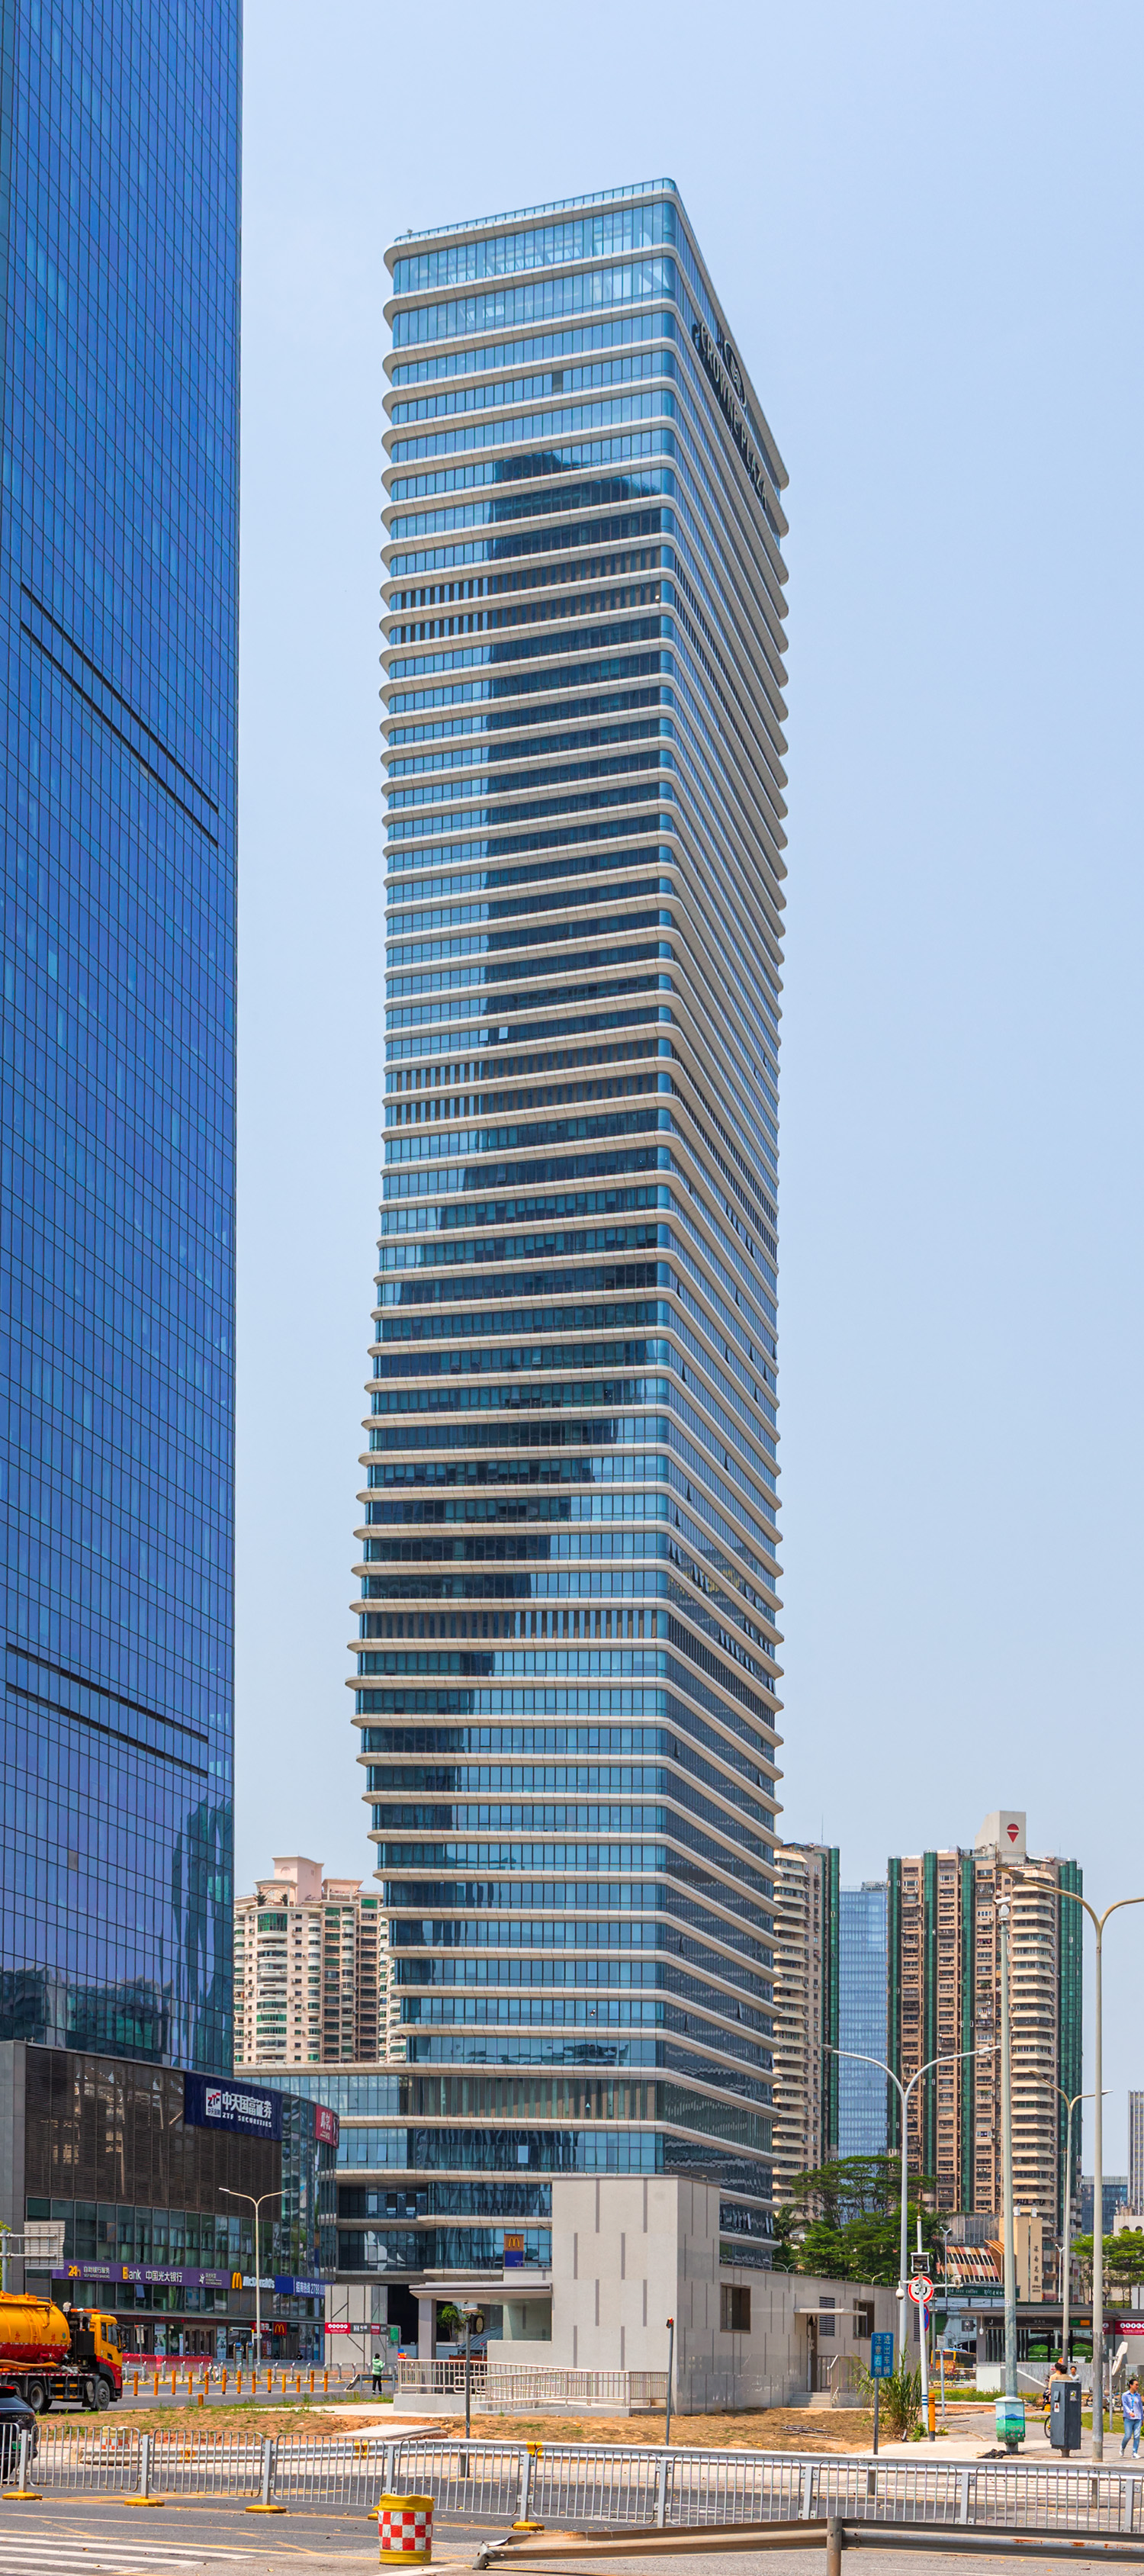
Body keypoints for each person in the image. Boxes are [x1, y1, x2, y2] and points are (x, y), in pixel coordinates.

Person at [1120, 2373, 1143, 2458]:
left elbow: (1140, 2407)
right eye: (1136, 2385)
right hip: (1128, 2418)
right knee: (1128, 2436)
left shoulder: (1138, 2396)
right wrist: (1129, 2412)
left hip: (1138, 2418)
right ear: (1131, 2385)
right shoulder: (1125, 2395)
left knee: (1137, 2436)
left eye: (1138, 2385)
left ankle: (1134, 2452)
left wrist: (1142, 2418)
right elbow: (1125, 2405)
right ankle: (1122, 2447)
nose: (1137, 2386)